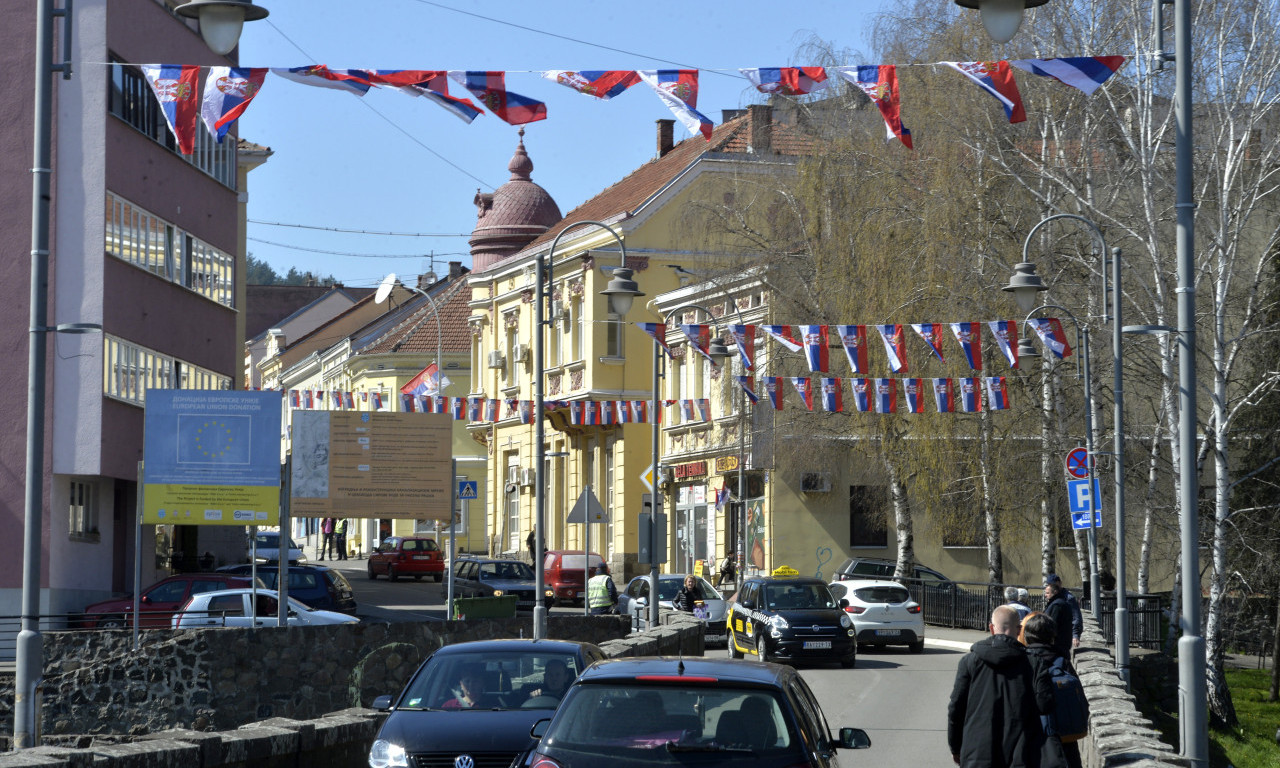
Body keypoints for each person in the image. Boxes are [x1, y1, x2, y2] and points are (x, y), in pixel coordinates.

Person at [947, 605, 1049, 768]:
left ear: (991, 628)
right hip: (1021, 753)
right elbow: (1045, 705)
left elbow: (956, 707)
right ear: (1019, 630)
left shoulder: (970, 661)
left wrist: (955, 746)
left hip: (977, 752)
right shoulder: (1033, 663)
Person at [1020, 612, 1082, 768]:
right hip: (1063, 737)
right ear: (1052, 637)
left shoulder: (1021, 661)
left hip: (1030, 736)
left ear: (1026, 637)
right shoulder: (1062, 661)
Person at [1044, 574, 1082, 649]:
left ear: (1059, 583)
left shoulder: (1068, 598)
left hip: (1062, 638)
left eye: (1053, 584)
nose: (1050, 586)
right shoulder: (1053, 598)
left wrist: (1075, 635)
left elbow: (1076, 617)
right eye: (1049, 584)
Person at [1042, 578, 1076, 660]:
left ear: (1055, 592)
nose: (1045, 595)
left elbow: (1053, 625)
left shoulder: (1057, 605)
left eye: (1047, 593)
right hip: (1062, 645)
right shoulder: (1059, 603)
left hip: (1058, 646)